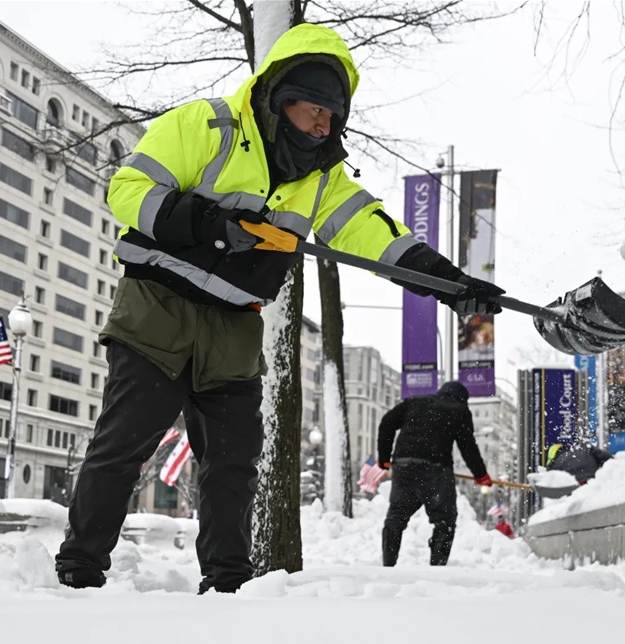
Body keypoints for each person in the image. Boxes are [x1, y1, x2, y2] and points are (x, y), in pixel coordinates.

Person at [55, 24, 503, 593]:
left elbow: (375, 234)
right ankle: (79, 568)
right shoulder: (205, 126)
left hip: (236, 324)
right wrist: (209, 224)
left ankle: (228, 585)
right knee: (124, 446)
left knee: (234, 464)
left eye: (333, 112)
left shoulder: (323, 178)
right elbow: (128, 189)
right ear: (279, 98)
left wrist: (450, 282)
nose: (323, 122)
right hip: (158, 308)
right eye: (313, 108)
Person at [377, 381, 493, 567]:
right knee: (445, 520)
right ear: (462, 399)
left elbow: (386, 423)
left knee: (396, 517)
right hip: (435, 469)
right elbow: (467, 446)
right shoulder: (459, 410)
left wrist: (384, 458)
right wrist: (481, 475)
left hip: (403, 466)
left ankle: (388, 564)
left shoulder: (414, 401)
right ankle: (437, 567)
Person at [546, 440, 610, 485]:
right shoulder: (584, 447)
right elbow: (605, 457)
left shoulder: (554, 464)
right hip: (593, 476)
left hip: (574, 482)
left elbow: (549, 479)